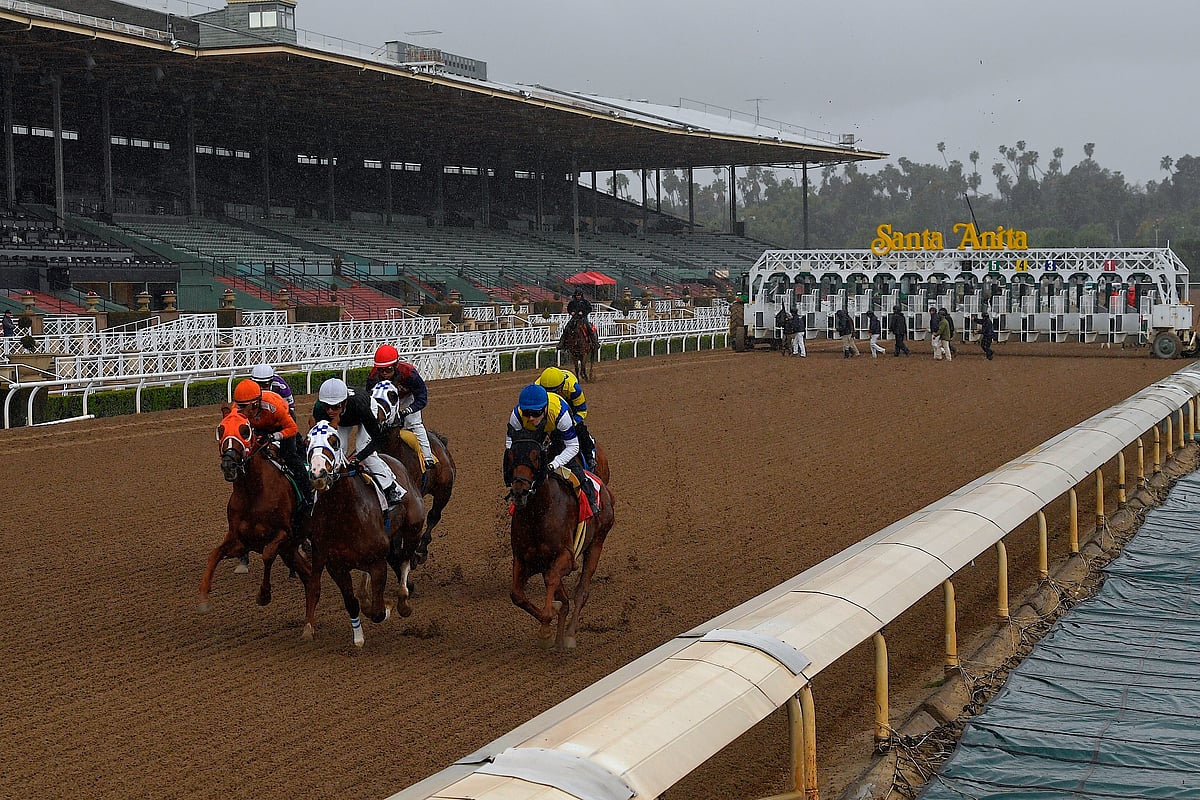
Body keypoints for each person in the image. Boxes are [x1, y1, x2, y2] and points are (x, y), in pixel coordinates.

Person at [311, 378, 407, 508]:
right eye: (326, 406)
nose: (330, 411)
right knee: (338, 449)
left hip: (365, 411)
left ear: (344, 402)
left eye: (335, 406)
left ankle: (390, 487)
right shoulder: (319, 410)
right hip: (345, 418)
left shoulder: (360, 407)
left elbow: (378, 439)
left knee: (363, 449)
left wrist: (358, 458)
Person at [505, 383, 598, 514]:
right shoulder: (516, 416)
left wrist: (553, 465)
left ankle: (591, 500)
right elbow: (510, 442)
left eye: (536, 413)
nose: (531, 418)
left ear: (545, 408)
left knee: (576, 471)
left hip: (557, 431)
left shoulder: (561, 415)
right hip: (532, 436)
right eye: (527, 413)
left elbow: (573, 446)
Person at [232, 379, 313, 507]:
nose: (239, 410)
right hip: (261, 427)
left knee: (289, 456)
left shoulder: (274, 406)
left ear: (255, 404)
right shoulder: (237, 408)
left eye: (243, 407)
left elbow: (292, 428)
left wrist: (274, 436)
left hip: (281, 426)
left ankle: (308, 495)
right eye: (239, 406)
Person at [365, 345, 435, 470]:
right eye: (380, 370)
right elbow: (368, 398)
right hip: (386, 400)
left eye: (388, 369)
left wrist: (407, 411)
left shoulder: (410, 373)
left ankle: (427, 457)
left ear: (396, 365)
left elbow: (422, 398)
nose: (384, 374)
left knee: (414, 422)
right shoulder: (373, 376)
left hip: (407, 397)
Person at [536, 366, 596, 470]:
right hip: (548, 406)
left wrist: (570, 423)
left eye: (554, 392)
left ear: (561, 388)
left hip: (569, 404)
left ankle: (589, 456)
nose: (552, 396)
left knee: (580, 429)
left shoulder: (573, 388)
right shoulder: (536, 388)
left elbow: (581, 411)